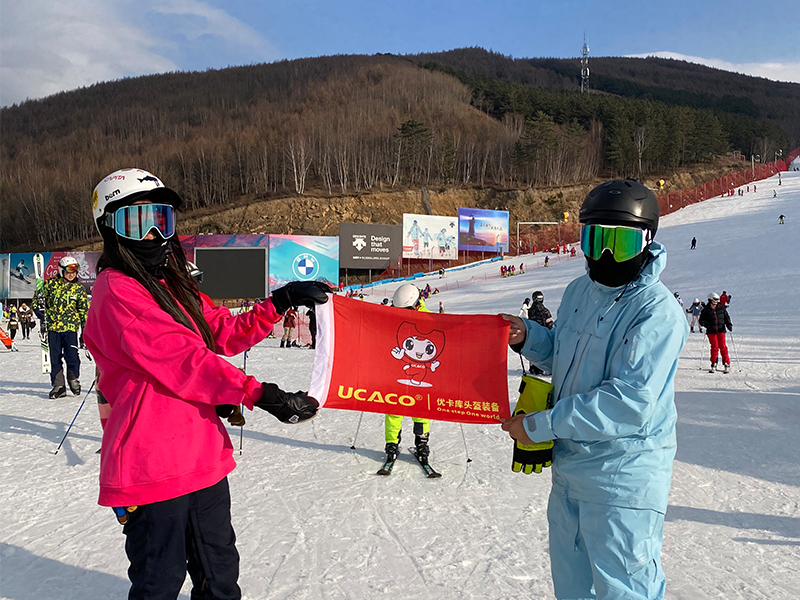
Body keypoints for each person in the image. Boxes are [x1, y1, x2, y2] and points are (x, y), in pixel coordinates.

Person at [83, 168, 329, 600]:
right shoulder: (116, 291)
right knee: (158, 583)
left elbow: (223, 331)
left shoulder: (171, 285)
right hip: (152, 465)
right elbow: (185, 360)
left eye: (164, 219)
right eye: (138, 221)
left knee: (220, 577)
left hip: (202, 458)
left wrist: (280, 301)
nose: (156, 233)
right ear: (110, 229)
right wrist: (259, 393)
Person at [500, 179, 688, 600]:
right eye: (594, 238)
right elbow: (563, 353)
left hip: (622, 479)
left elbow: (628, 403)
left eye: (618, 244)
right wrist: (526, 337)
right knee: (572, 589)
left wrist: (539, 426)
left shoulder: (657, 312)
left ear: (646, 242)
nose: (604, 254)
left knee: (624, 592)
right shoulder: (579, 291)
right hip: (571, 474)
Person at [383, 283, 432, 465]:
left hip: (421, 373)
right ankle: (392, 444)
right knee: (393, 407)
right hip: (397, 371)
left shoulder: (431, 320)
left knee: (420, 408)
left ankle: (421, 442)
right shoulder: (392, 315)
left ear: (416, 304)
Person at [33, 255, 89, 398]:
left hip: (70, 329)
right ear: (61, 270)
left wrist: (85, 332)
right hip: (53, 329)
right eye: (68, 271)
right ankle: (59, 385)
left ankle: (73, 379)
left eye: (74, 272)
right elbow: (36, 301)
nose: (71, 275)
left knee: (72, 356)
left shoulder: (78, 289)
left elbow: (84, 312)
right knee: (55, 357)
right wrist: (40, 312)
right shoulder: (49, 285)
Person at [699, 292, 732, 373]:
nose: (716, 302)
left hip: (721, 330)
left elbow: (726, 317)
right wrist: (705, 324)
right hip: (711, 331)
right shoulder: (705, 310)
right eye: (715, 300)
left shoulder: (721, 308)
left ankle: (726, 364)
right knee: (715, 347)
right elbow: (701, 320)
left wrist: (729, 324)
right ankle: (714, 363)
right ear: (710, 300)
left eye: (717, 300)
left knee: (723, 347)